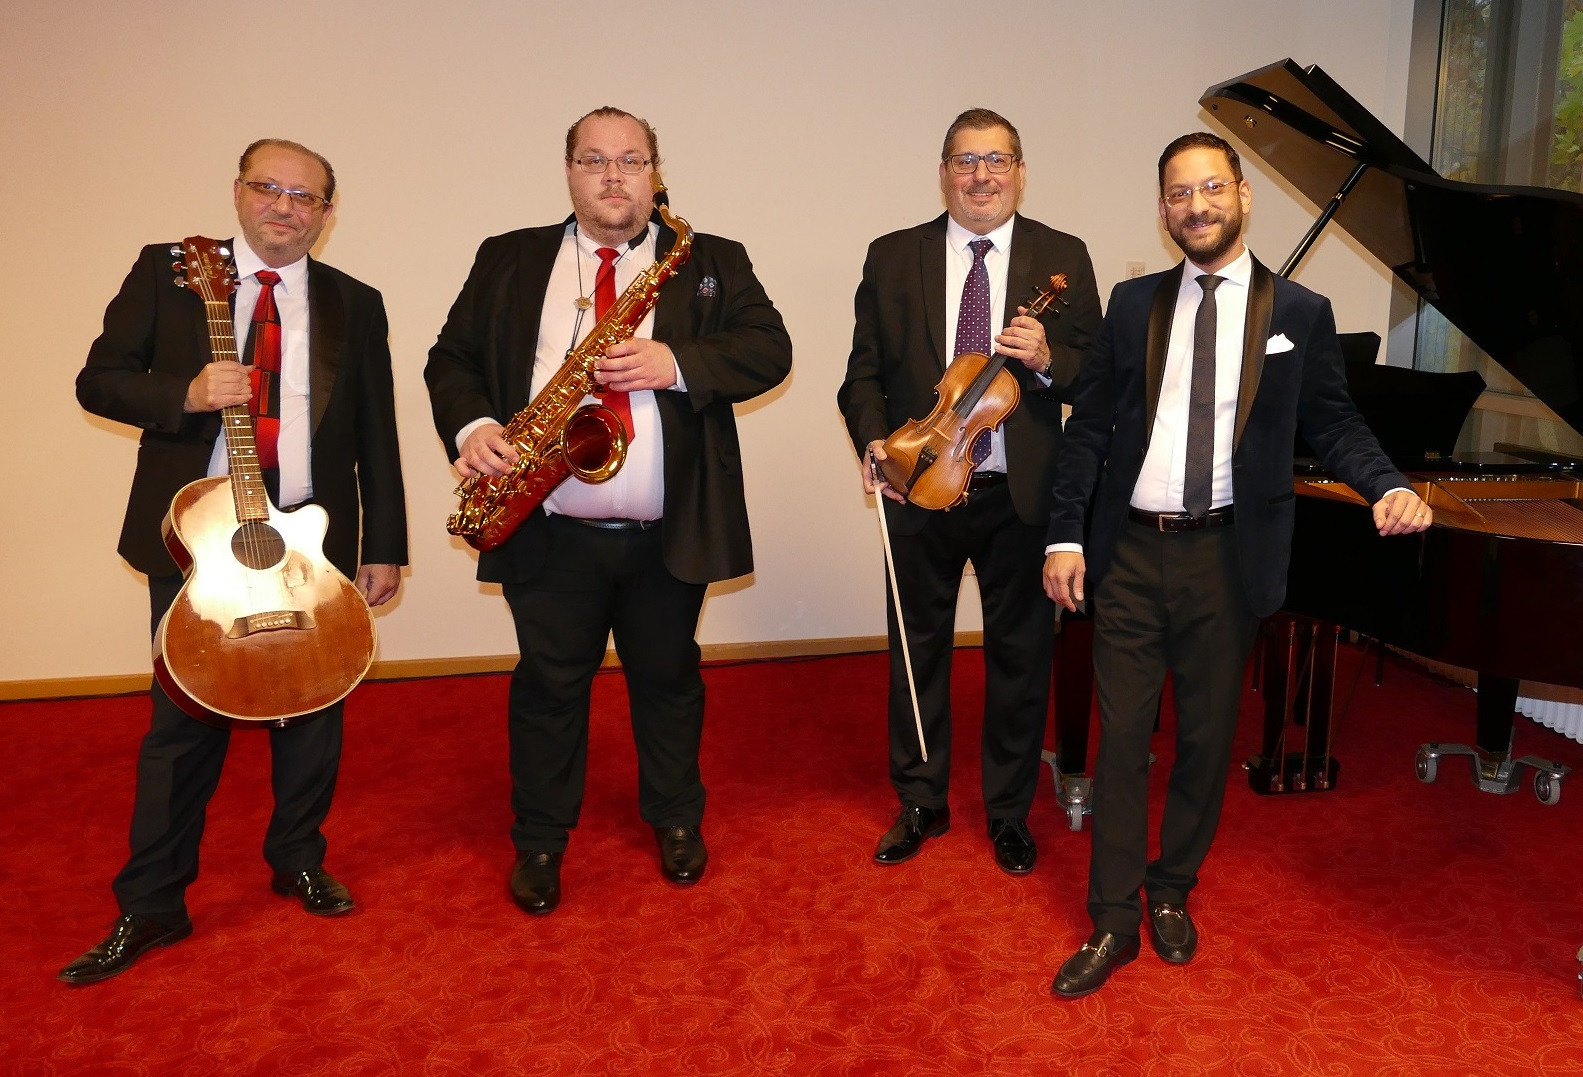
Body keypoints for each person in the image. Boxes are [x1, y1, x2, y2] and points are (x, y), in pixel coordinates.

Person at [1042, 131, 1432, 997]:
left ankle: (1170, 886)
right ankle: (1111, 919)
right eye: (1179, 193)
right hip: (1129, 550)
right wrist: (1063, 534)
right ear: (1162, 208)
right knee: (1121, 740)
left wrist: (1385, 484)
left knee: (1206, 739)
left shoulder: (1299, 312)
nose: (1197, 206)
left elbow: (1333, 421)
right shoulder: (1131, 304)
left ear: (1242, 194)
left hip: (1227, 555)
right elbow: (1090, 428)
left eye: (1211, 188)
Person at [424, 106, 792, 916]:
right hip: (548, 525)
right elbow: (450, 357)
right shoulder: (509, 256)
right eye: (594, 160)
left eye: (630, 159)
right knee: (548, 687)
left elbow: (770, 349)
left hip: (669, 526)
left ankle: (675, 818)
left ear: (655, 172)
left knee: (669, 678)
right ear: (569, 172)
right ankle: (540, 838)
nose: (613, 175)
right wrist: (474, 425)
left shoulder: (710, 258)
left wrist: (674, 361)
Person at [62, 139, 408, 985]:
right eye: (268, 187)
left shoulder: (355, 302)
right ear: (238, 191)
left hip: (309, 534)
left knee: (314, 706)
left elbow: (375, 428)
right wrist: (183, 394)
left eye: (305, 195)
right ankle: (152, 902)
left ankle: (297, 858)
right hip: (198, 535)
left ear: (326, 213)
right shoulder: (170, 272)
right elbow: (98, 380)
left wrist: (385, 545)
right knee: (184, 722)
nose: (285, 206)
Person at [837, 109, 1101, 875]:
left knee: (1020, 658)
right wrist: (874, 442)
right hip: (918, 482)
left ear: (1019, 171)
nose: (980, 176)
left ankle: (1008, 810)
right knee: (915, 651)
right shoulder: (893, 255)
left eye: (996, 160)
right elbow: (861, 374)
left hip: (1019, 494)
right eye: (964, 160)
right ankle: (920, 799)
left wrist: (1047, 359)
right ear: (943, 171)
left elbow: (1095, 376)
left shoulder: (1062, 255)